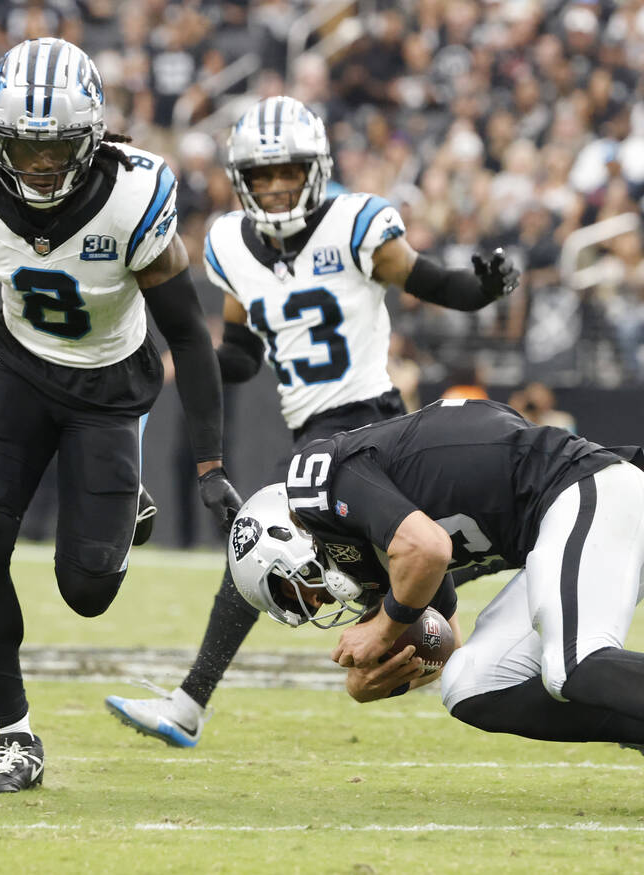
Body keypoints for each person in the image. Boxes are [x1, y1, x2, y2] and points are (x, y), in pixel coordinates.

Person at [104, 95, 519, 748]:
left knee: (258, 540)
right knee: (414, 598)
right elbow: (242, 355)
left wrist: (483, 288)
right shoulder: (231, 244)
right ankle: (479, 626)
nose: (274, 187)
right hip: (314, 437)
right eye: (262, 176)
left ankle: (187, 704)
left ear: (315, 170)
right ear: (242, 181)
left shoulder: (357, 224)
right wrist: (190, 364)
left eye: (287, 172)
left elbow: (432, 281)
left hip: (370, 422)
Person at [0, 38, 241, 793]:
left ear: (91, 140)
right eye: (23, 147)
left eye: (56, 148)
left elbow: (187, 328)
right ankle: (15, 737)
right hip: (16, 366)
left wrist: (211, 463)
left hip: (111, 387)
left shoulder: (133, 194)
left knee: (88, 592)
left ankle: (124, 510)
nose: (40, 165)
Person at [227, 398, 644, 829]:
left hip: (588, 492)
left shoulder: (316, 479)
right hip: (569, 526)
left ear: (285, 537)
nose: (321, 600)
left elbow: (429, 550)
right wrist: (395, 670)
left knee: (572, 664)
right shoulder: (370, 549)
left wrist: (384, 625)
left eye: (298, 590)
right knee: (470, 683)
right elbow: (444, 637)